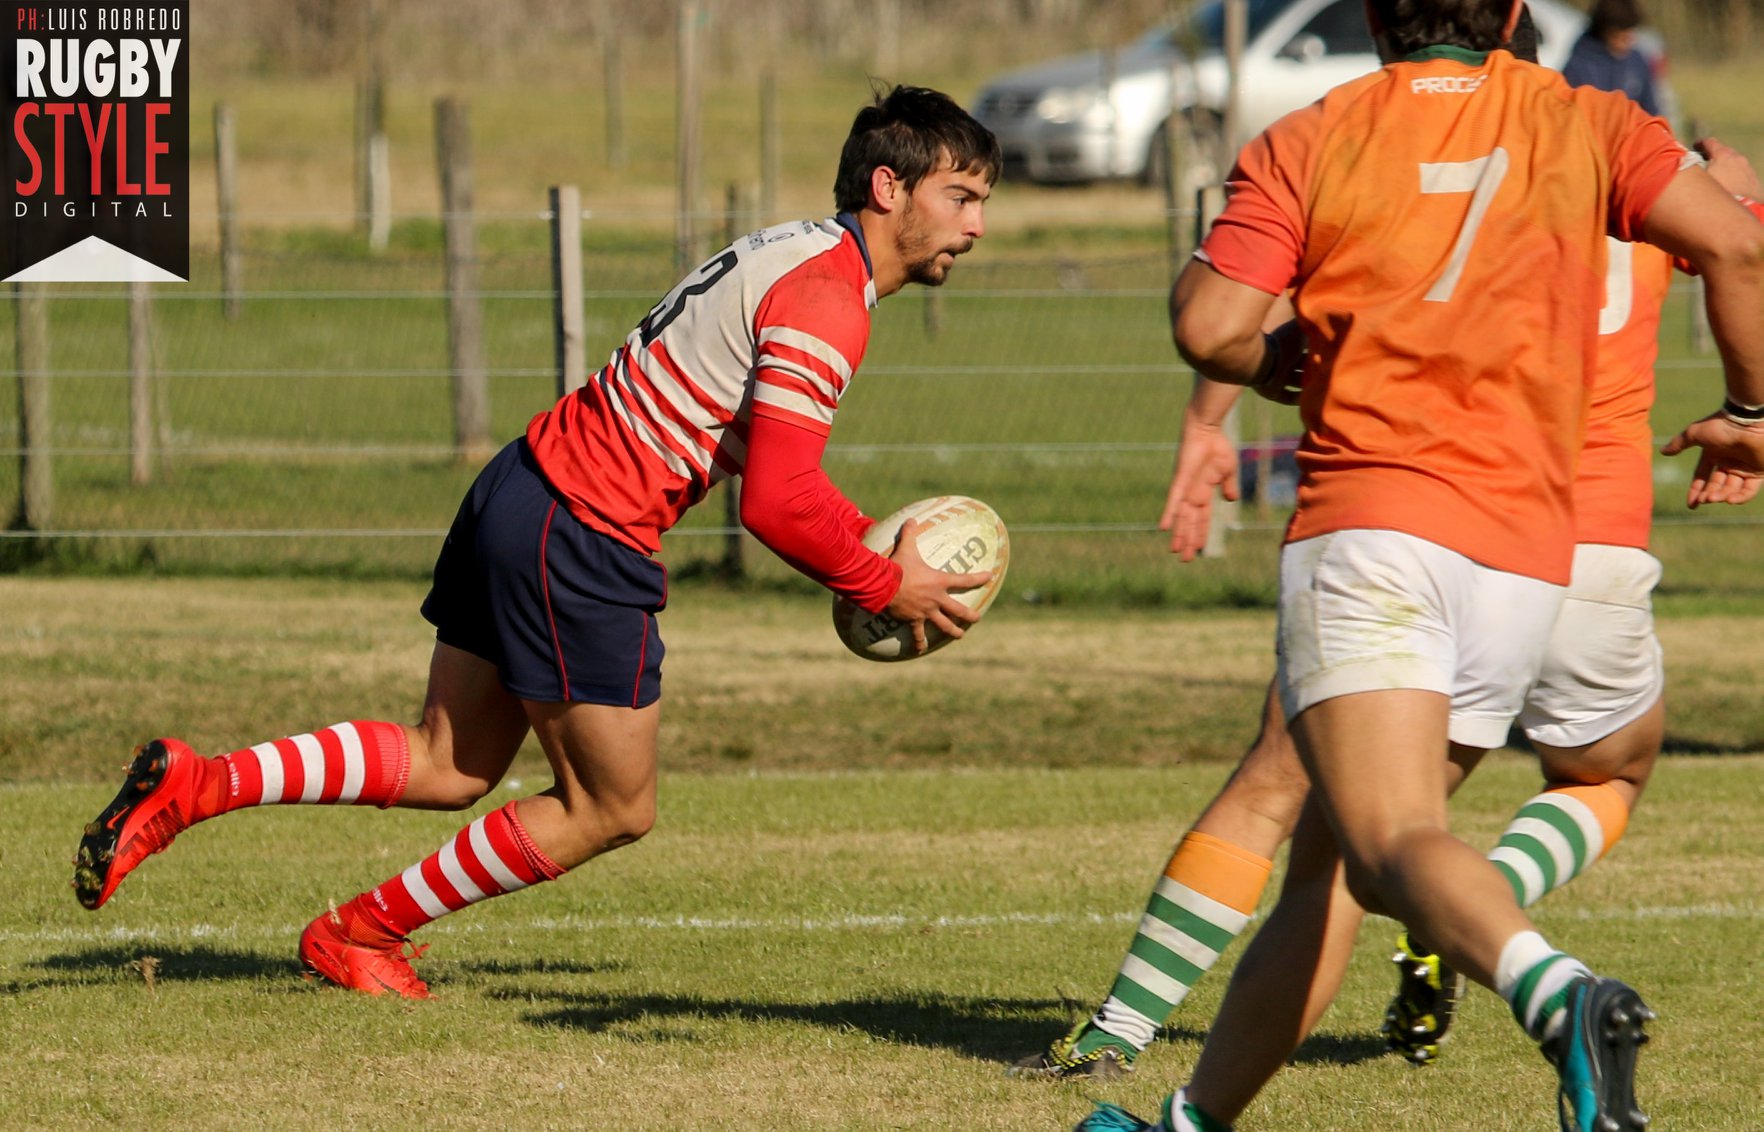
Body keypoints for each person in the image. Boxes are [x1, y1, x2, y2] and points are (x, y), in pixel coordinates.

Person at [71, 84, 1001, 999]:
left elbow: (779, 472)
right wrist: (885, 581)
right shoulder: (829, 297)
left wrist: (871, 550)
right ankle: (357, 933)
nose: (976, 225)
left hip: (522, 488)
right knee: (612, 806)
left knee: (450, 761)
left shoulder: (796, 250)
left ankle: (198, 785)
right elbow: (778, 503)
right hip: (585, 529)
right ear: (888, 188)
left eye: (982, 203)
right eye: (959, 197)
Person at [1069, 0, 1764, 1129]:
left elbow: (1209, 326)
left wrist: (1271, 363)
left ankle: (1561, 994)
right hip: (1530, 550)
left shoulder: (1317, 130)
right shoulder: (1595, 122)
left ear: (1375, 18)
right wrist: (1750, 413)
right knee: (1337, 864)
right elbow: (1737, 240)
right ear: (1511, 15)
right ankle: (1191, 1118)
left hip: (1379, 528)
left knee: (1384, 841)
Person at [1562, 0, 1662, 118]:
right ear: (1604, 31)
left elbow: (1650, 110)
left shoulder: (1637, 61)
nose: (1628, 41)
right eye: (1621, 37)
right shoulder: (1577, 66)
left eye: (1630, 35)